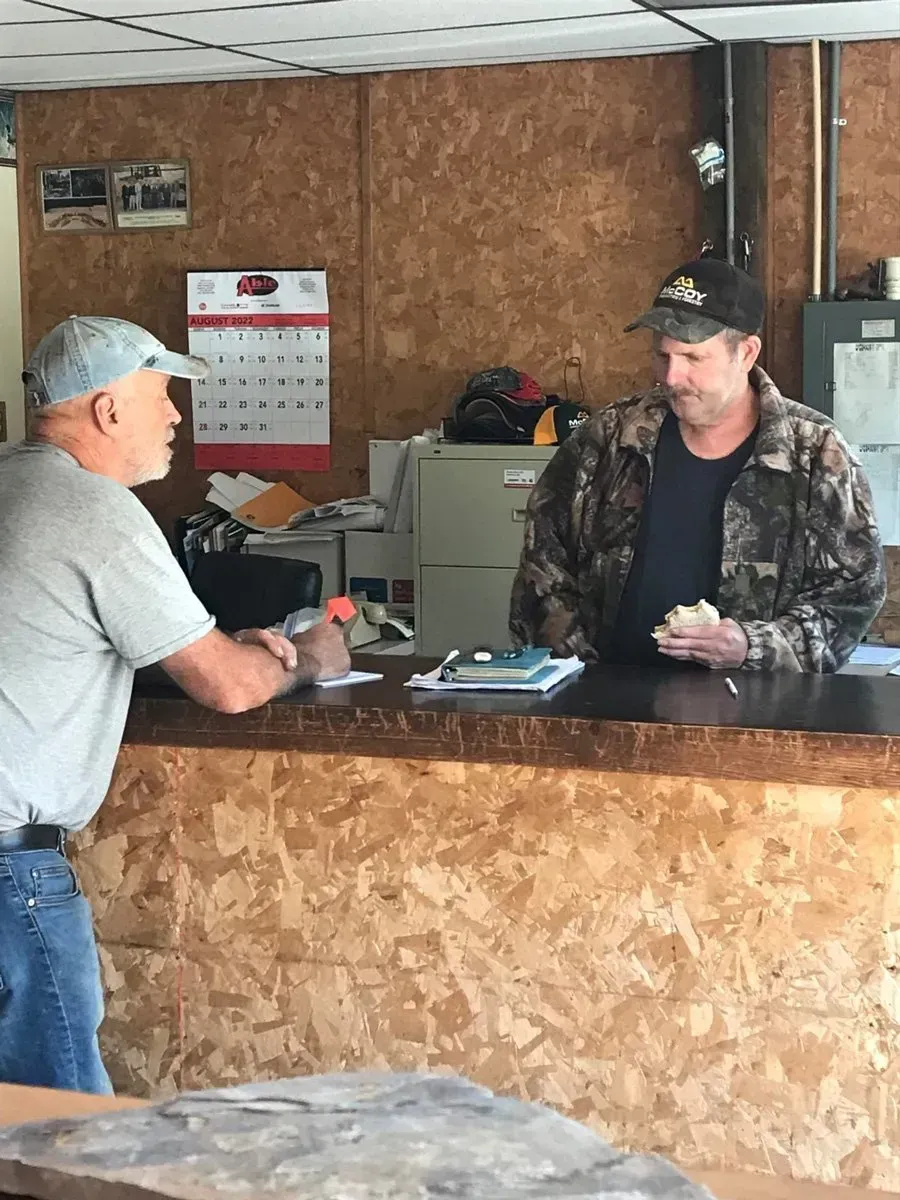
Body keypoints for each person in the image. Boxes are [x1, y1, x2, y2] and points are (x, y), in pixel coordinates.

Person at [0, 315, 350, 1094]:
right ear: (108, 409)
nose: (175, 416)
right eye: (161, 394)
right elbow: (225, 687)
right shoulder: (93, 509)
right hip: (6, 879)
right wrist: (308, 659)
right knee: (57, 1137)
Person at [510, 258, 886, 673]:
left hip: (755, 713)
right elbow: (542, 564)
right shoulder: (610, 438)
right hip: (608, 706)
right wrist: (582, 670)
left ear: (745, 353)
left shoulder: (816, 454)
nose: (671, 377)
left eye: (692, 358)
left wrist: (752, 646)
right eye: (662, 355)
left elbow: (851, 596)